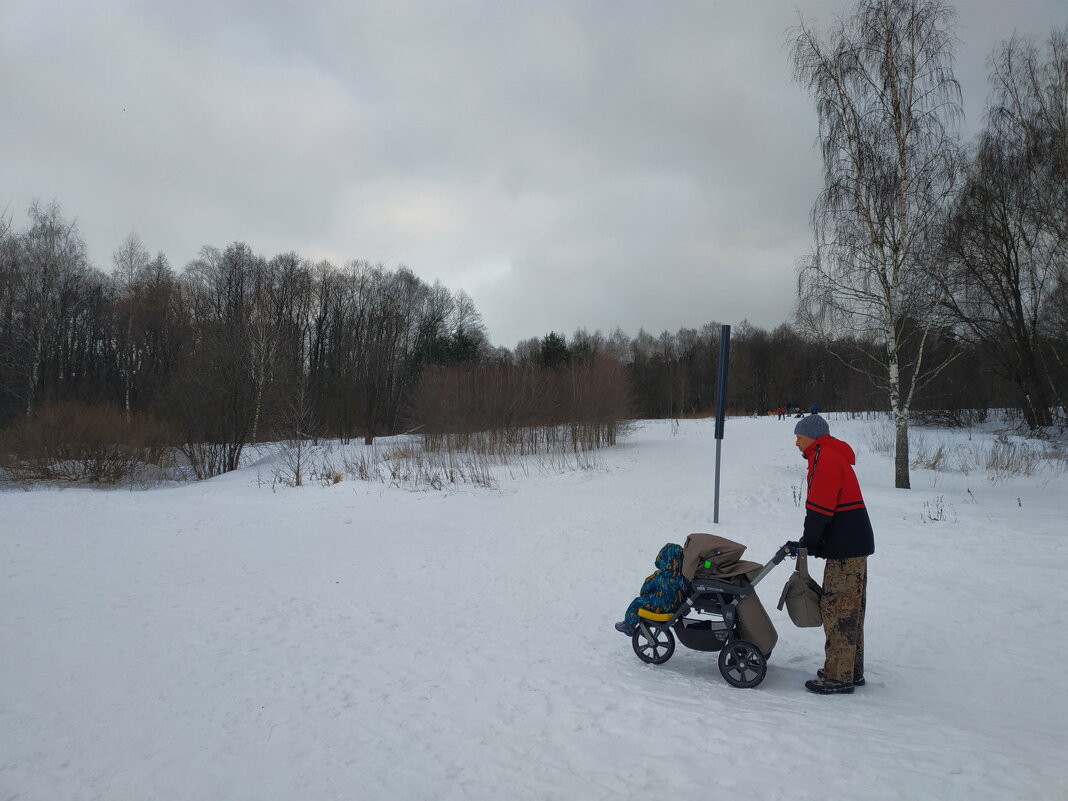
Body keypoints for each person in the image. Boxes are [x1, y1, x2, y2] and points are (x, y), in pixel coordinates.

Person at [787, 407, 874, 695]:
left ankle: (838, 677)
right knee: (851, 611)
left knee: (838, 610)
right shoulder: (830, 455)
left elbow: (819, 509)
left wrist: (808, 542)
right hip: (851, 545)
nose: (796, 442)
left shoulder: (823, 457)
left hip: (844, 549)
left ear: (812, 437)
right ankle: (851, 670)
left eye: (799, 437)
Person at [614, 543, 690, 636]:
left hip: (661, 607)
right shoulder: (683, 578)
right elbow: (688, 591)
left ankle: (629, 624)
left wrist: (650, 596)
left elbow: (645, 590)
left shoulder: (659, 576)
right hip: (677, 608)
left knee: (637, 602)